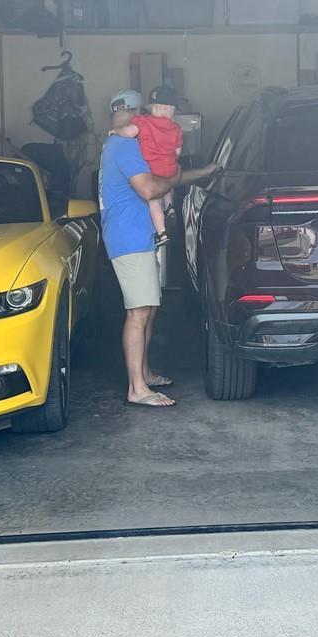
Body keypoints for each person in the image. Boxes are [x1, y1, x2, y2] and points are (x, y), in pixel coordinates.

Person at [99, 89, 218, 408]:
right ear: (140, 113)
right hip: (129, 238)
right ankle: (137, 389)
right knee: (138, 312)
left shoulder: (125, 142)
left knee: (148, 308)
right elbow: (152, 186)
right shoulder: (123, 146)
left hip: (137, 236)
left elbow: (166, 175)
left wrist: (201, 172)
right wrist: (181, 175)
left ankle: (145, 372)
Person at [113, 84, 186, 247]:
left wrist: (117, 131)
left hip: (153, 168)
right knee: (167, 184)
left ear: (152, 107)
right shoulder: (176, 128)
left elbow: (130, 132)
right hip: (170, 166)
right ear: (171, 109)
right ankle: (170, 207)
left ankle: (162, 233)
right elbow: (178, 152)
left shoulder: (143, 121)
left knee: (154, 201)